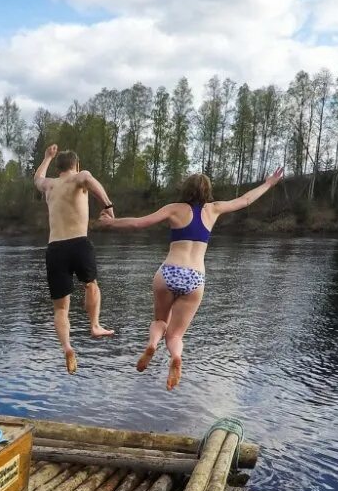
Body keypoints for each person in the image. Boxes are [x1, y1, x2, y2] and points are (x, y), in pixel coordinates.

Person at [97, 166, 284, 389]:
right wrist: (268, 184)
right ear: (208, 191)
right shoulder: (214, 209)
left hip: (169, 272)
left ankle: (152, 344)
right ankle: (176, 357)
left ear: (185, 190)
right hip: (195, 278)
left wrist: (111, 223)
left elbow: (139, 223)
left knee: (159, 321)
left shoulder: (174, 209)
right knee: (175, 336)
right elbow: (245, 200)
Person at [34, 144, 116, 374]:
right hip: (79, 242)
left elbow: (37, 177)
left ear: (58, 167)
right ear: (76, 165)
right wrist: (108, 206)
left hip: (55, 248)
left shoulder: (49, 185)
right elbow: (92, 183)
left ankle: (67, 347)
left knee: (60, 309)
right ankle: (95, 325)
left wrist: (46, 156)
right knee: (91, 284)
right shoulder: (80, 177)